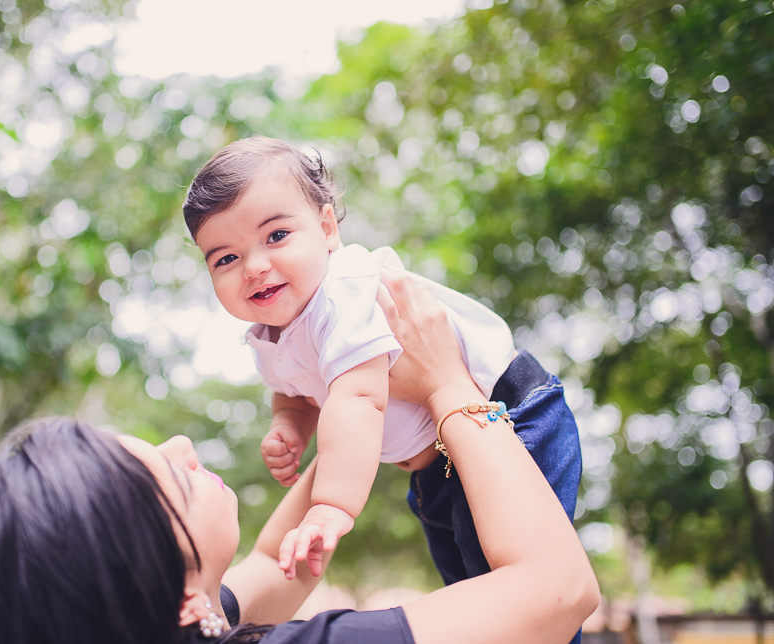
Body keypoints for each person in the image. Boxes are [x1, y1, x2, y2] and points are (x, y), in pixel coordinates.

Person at [0, 269, 599, 644]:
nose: (183, 446)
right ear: (179, 597)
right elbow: (560, 593)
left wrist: (358, 403)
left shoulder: (169, 626)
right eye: (168, 478)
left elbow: (275, 569)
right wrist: (448, 383)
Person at [182, 137, 582, 599]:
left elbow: (358, 397)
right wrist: (289, 423)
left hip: (510, 418)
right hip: (436, 462)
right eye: (226, 258)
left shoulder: (343, 291)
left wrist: (330, 506)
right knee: (469, 592)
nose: (253, 266)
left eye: (276, 236)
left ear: (327, 228)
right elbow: (295, 391)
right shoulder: (268, 332)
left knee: (521, 597)